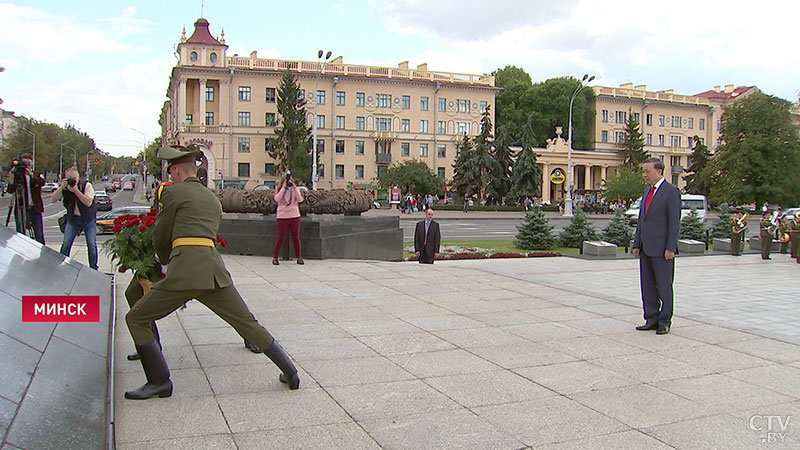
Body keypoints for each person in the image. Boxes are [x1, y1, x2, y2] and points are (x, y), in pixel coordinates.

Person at [124, 145, 299, 400]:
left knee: (136, 318)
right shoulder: (212, 200)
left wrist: (163, 260)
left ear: (176, 170)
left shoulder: (172, 193)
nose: (170, 177)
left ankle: (159, 381)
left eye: (171, 172)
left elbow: (162, 235)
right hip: (214, 271)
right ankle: (291, 372)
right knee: (246, 323)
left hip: (184, 272)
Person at [632, 158, 680, 335]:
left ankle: (664, 321)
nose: (644, 175)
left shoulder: (671, 192)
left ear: (659, 171)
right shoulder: (646, 191)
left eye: (647, 171)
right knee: (648, 285)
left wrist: (671, 247)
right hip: (645, 248)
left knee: (664, 286)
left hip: (662, 250)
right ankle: (651, 318)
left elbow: (674, 222)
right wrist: (637, 243)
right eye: (643, 171)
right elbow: (641, 220)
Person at [51, 166, 98, 269]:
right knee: (66, 243)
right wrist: (61, 187)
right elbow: (53, 200)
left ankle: (94, 268)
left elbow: (88, 202)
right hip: (73, 218)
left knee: (91, 244)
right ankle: (62, 265)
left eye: (74, 179)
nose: (72, 182)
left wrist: (76, 190)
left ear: (78, 177)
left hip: (88, 218)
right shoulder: (65, 188)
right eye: (70, 179)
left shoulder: (86, 185)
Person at [6, 154, 46, 244]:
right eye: (24, 163)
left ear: (32, 163)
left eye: (28, 162)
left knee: (39, 234)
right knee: (21, 234)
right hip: (21, 208)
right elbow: (10, 190)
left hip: (35, 208)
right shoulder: (18, 176)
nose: (26, 165)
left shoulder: (37, 174)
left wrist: (31, 174)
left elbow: (41, 182)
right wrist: (12, 179)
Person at [272, 171, 304, 265]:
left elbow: (300, 199)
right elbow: (277, 199)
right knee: (280, 237)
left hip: (294, 215)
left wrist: (294, 188)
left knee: (295, 237)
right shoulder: (279, 189)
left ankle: (299, 257)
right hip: (282, 216)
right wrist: (283, 188)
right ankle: (275, 257)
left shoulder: (294, 189)